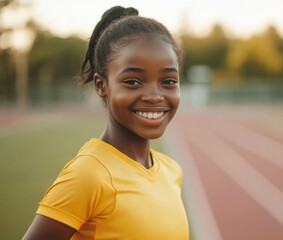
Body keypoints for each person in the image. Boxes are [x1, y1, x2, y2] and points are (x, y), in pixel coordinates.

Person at [22, 5, 189, 240]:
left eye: (169, 81)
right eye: (132, 81)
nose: (154, 96)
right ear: (101, 85)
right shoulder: (89, 174)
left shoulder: (172, 171)